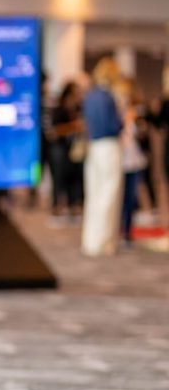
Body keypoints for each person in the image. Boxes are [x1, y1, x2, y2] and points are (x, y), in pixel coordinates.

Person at [81, 58, 123, 257]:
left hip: (93, 147)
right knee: (109, 194)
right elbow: (114, 126)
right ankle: (104, 242)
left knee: (94, 194)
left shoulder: (90, 96)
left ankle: (91, 241)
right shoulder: (108, 97)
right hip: (108, 146)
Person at [47, 81, 86, 224]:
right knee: (59, 179)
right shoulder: (58, 110)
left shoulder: (78, 109)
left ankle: (73, 206)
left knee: (74, 178)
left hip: (73, 150)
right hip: (59, 150)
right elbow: (52, 132)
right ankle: (57, 208)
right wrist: (73, 127)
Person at [118, 80, 148, 245]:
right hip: (119, 161)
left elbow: (144, 137)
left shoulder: (137, 114)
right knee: (119, 197)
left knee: (130, 197)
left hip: (134, 161)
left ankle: (128, 232)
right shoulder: (115, 114)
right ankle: (117, 230)